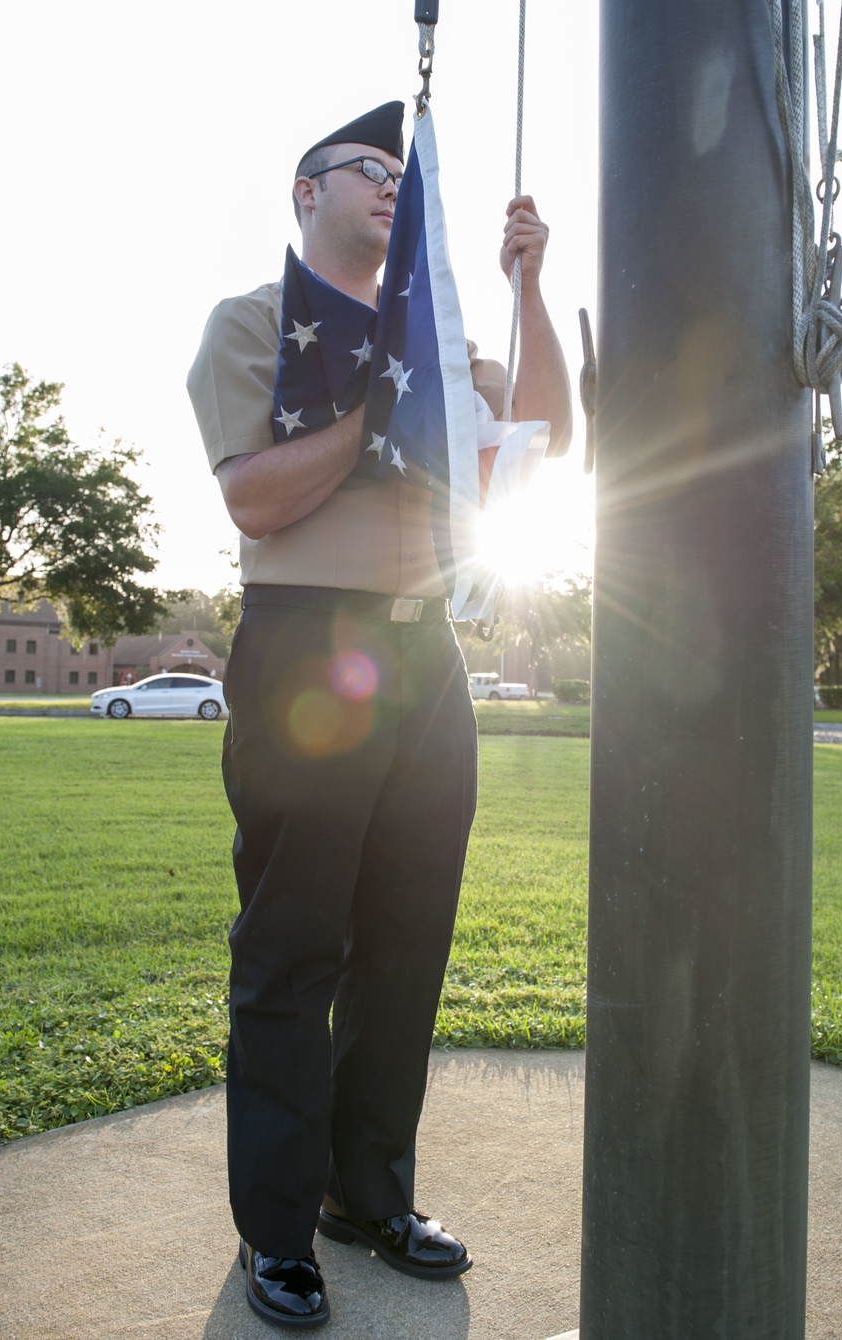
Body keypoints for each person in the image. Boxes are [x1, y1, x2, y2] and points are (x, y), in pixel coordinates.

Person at [187, 100, 571, 1330]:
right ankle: (279, 1229)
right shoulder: (253, 324)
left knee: (407, 944)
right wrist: (376, 423)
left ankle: (371, 1194)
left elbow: (544, 444)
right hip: (309, 647)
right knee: (295, 946)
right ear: (306, 193)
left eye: (404, 172)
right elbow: (254, 498)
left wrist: (525, 284)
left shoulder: (445, 345)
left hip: (426, 661)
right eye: (367, 167)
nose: (392, 182)